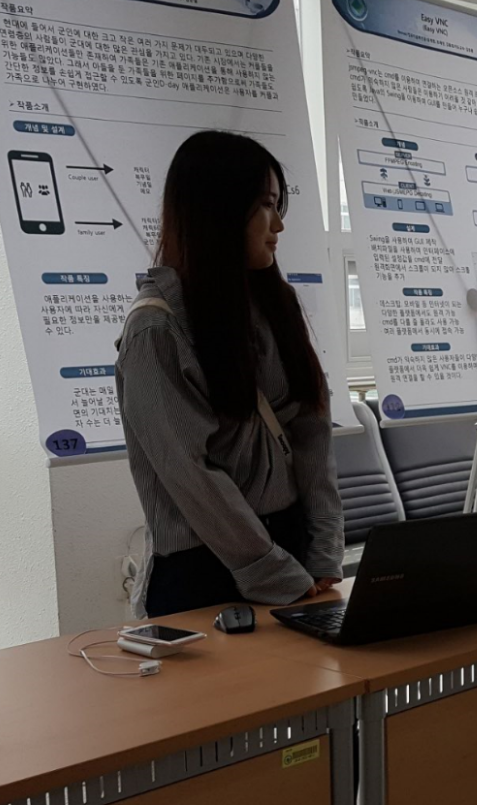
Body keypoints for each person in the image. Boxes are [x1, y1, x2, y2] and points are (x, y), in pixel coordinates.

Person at [116, 130, 344, 617]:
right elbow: (189, 474)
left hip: (291, 550)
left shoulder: (275, 303)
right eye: (266, 206)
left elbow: (312, 428)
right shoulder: (156, 328)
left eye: (279, 206)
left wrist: (324, 546)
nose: (279, 224)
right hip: (205, 567)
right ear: (218, 211)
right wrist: (271, 570)